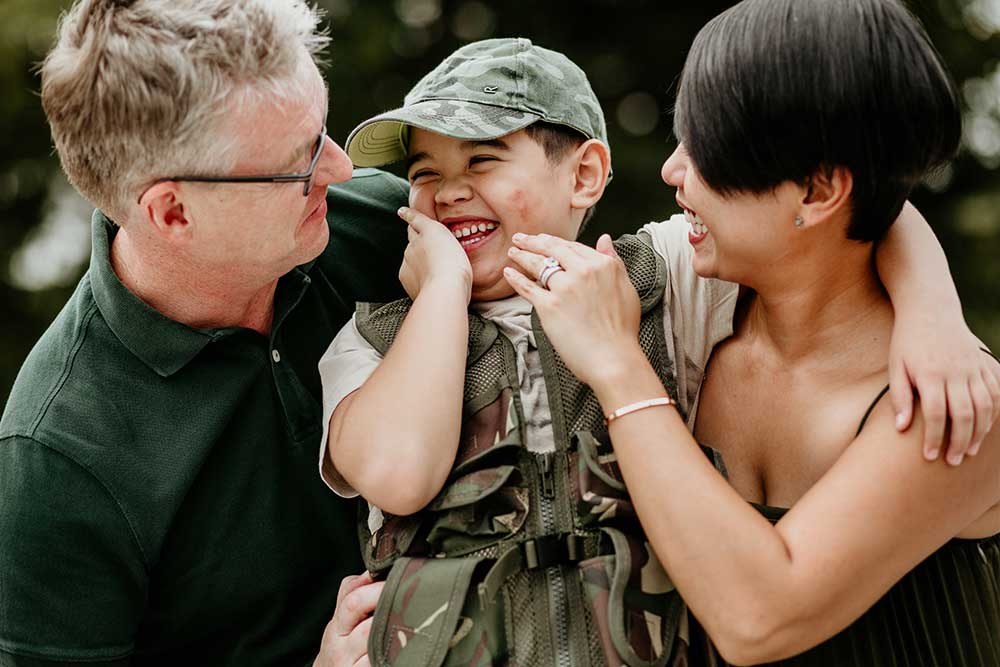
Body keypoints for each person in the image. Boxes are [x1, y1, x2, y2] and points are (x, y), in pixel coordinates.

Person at [318, 37, 997, 666]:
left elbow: (841, 208)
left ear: (584, 175)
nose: (450, 189)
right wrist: (442, 288)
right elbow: (400, 473)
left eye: (483, 159)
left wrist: (933, 314)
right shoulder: (374, 338)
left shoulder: (658, 278)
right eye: (423, 171)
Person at [502, 0, 1000, 664]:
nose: (672, 172)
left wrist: (619, 366)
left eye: (705, 149)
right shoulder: (695, 314)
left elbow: (757, 617)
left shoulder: (954, 407)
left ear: (817, 192)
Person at [0, 1, 405, 664]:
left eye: (323, 127)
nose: (340, 168)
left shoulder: (386, 228)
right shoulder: (57, 458)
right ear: (174, 212)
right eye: (299, 163)